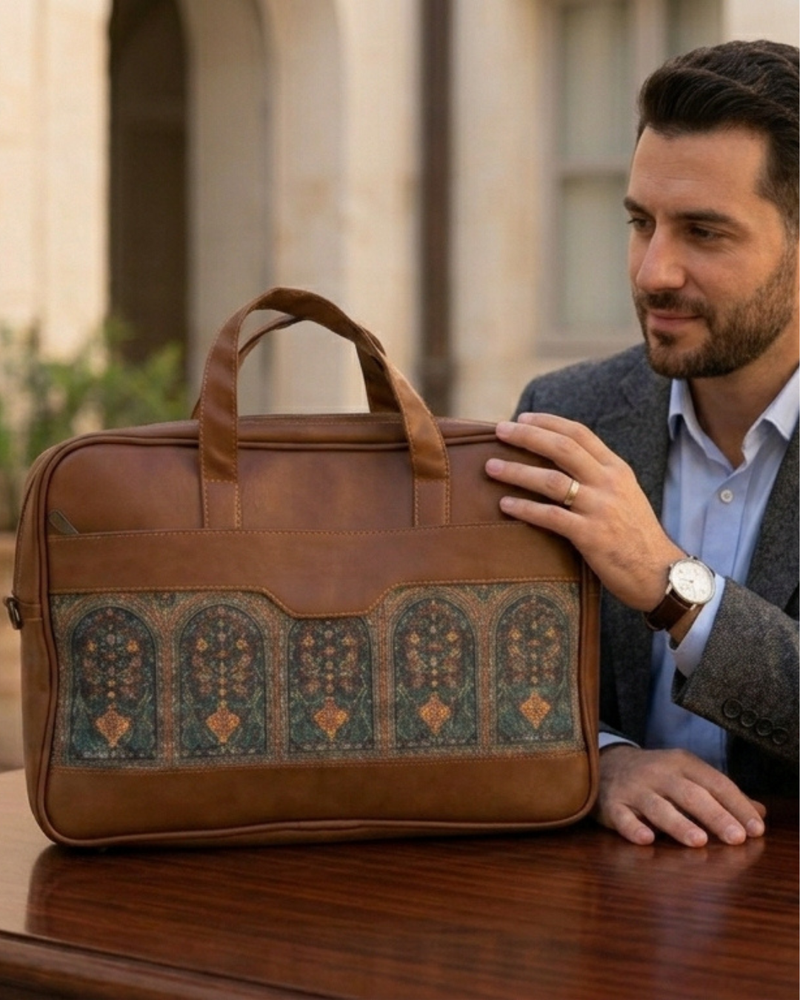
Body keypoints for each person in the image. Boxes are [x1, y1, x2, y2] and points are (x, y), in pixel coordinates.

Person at [486, 39, 798, 848]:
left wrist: (671, 586)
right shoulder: (566, 416)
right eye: (640, 223)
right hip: (596, 929)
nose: (654, 271)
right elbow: (502, 687)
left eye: (703, 231)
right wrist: (600, 761)